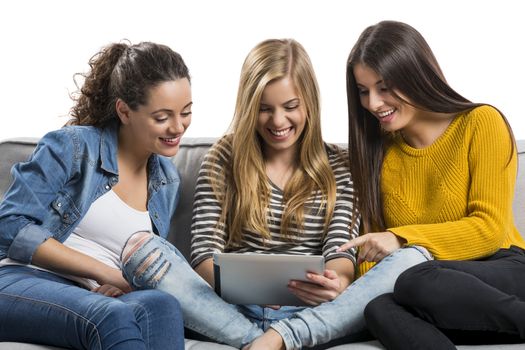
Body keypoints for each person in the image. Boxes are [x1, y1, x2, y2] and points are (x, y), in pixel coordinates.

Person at [338, 20, 525, 349]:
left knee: (415, 280)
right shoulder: (376, 152)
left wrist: (401, 238)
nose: (372, 103)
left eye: (383, 87)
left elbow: (489, 230)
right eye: (363, 91)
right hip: (437, 294)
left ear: (415, 74)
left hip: (503, 268)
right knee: (377, 308)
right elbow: (373, 255)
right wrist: (341, 284)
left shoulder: (481, 122)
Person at [0, 41, 191, 349]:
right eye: (162, 116)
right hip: (20, 281)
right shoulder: (72, 147)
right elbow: (9, 226)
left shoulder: (167, 181)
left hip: (90, 296)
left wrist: (119, 286)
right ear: (124, 111)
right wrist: (103, 274)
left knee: (162, 305)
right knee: (110, 316)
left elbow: (142, 264)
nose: (178, 126)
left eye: (186, 112)